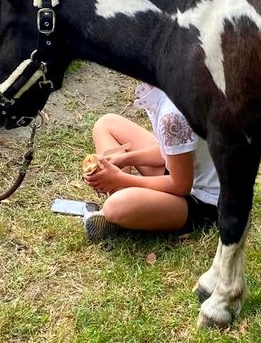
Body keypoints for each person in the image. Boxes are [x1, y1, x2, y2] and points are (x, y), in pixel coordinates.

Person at [81, 84, 219, 241]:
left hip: (201, 199)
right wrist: (123, 159)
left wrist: (120, 178)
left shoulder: (172, 114)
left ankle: (125, 207)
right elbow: (168, 151)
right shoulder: (165, 88)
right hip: (181, 167)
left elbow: (181, 185)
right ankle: (133, 202)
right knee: (106, 124)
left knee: (115, 206)